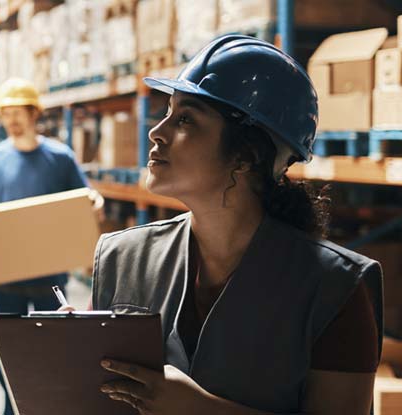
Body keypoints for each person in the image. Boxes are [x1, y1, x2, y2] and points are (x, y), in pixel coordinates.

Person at [66, 35, 383, 414]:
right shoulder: (122, 258)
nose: (156, 131)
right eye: (167, 112)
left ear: (246, 155)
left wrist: (199, 408)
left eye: (185, 119)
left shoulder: (335, 289)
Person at [0, 78, 105, 415]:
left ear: (33, 113)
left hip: (49, 275)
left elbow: (84, 198)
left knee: (51, 355)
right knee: (7, 355)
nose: (11, 119)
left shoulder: (60, 157)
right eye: (5, 113)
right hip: (5, 274)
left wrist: (93, 201)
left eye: (18, 111)